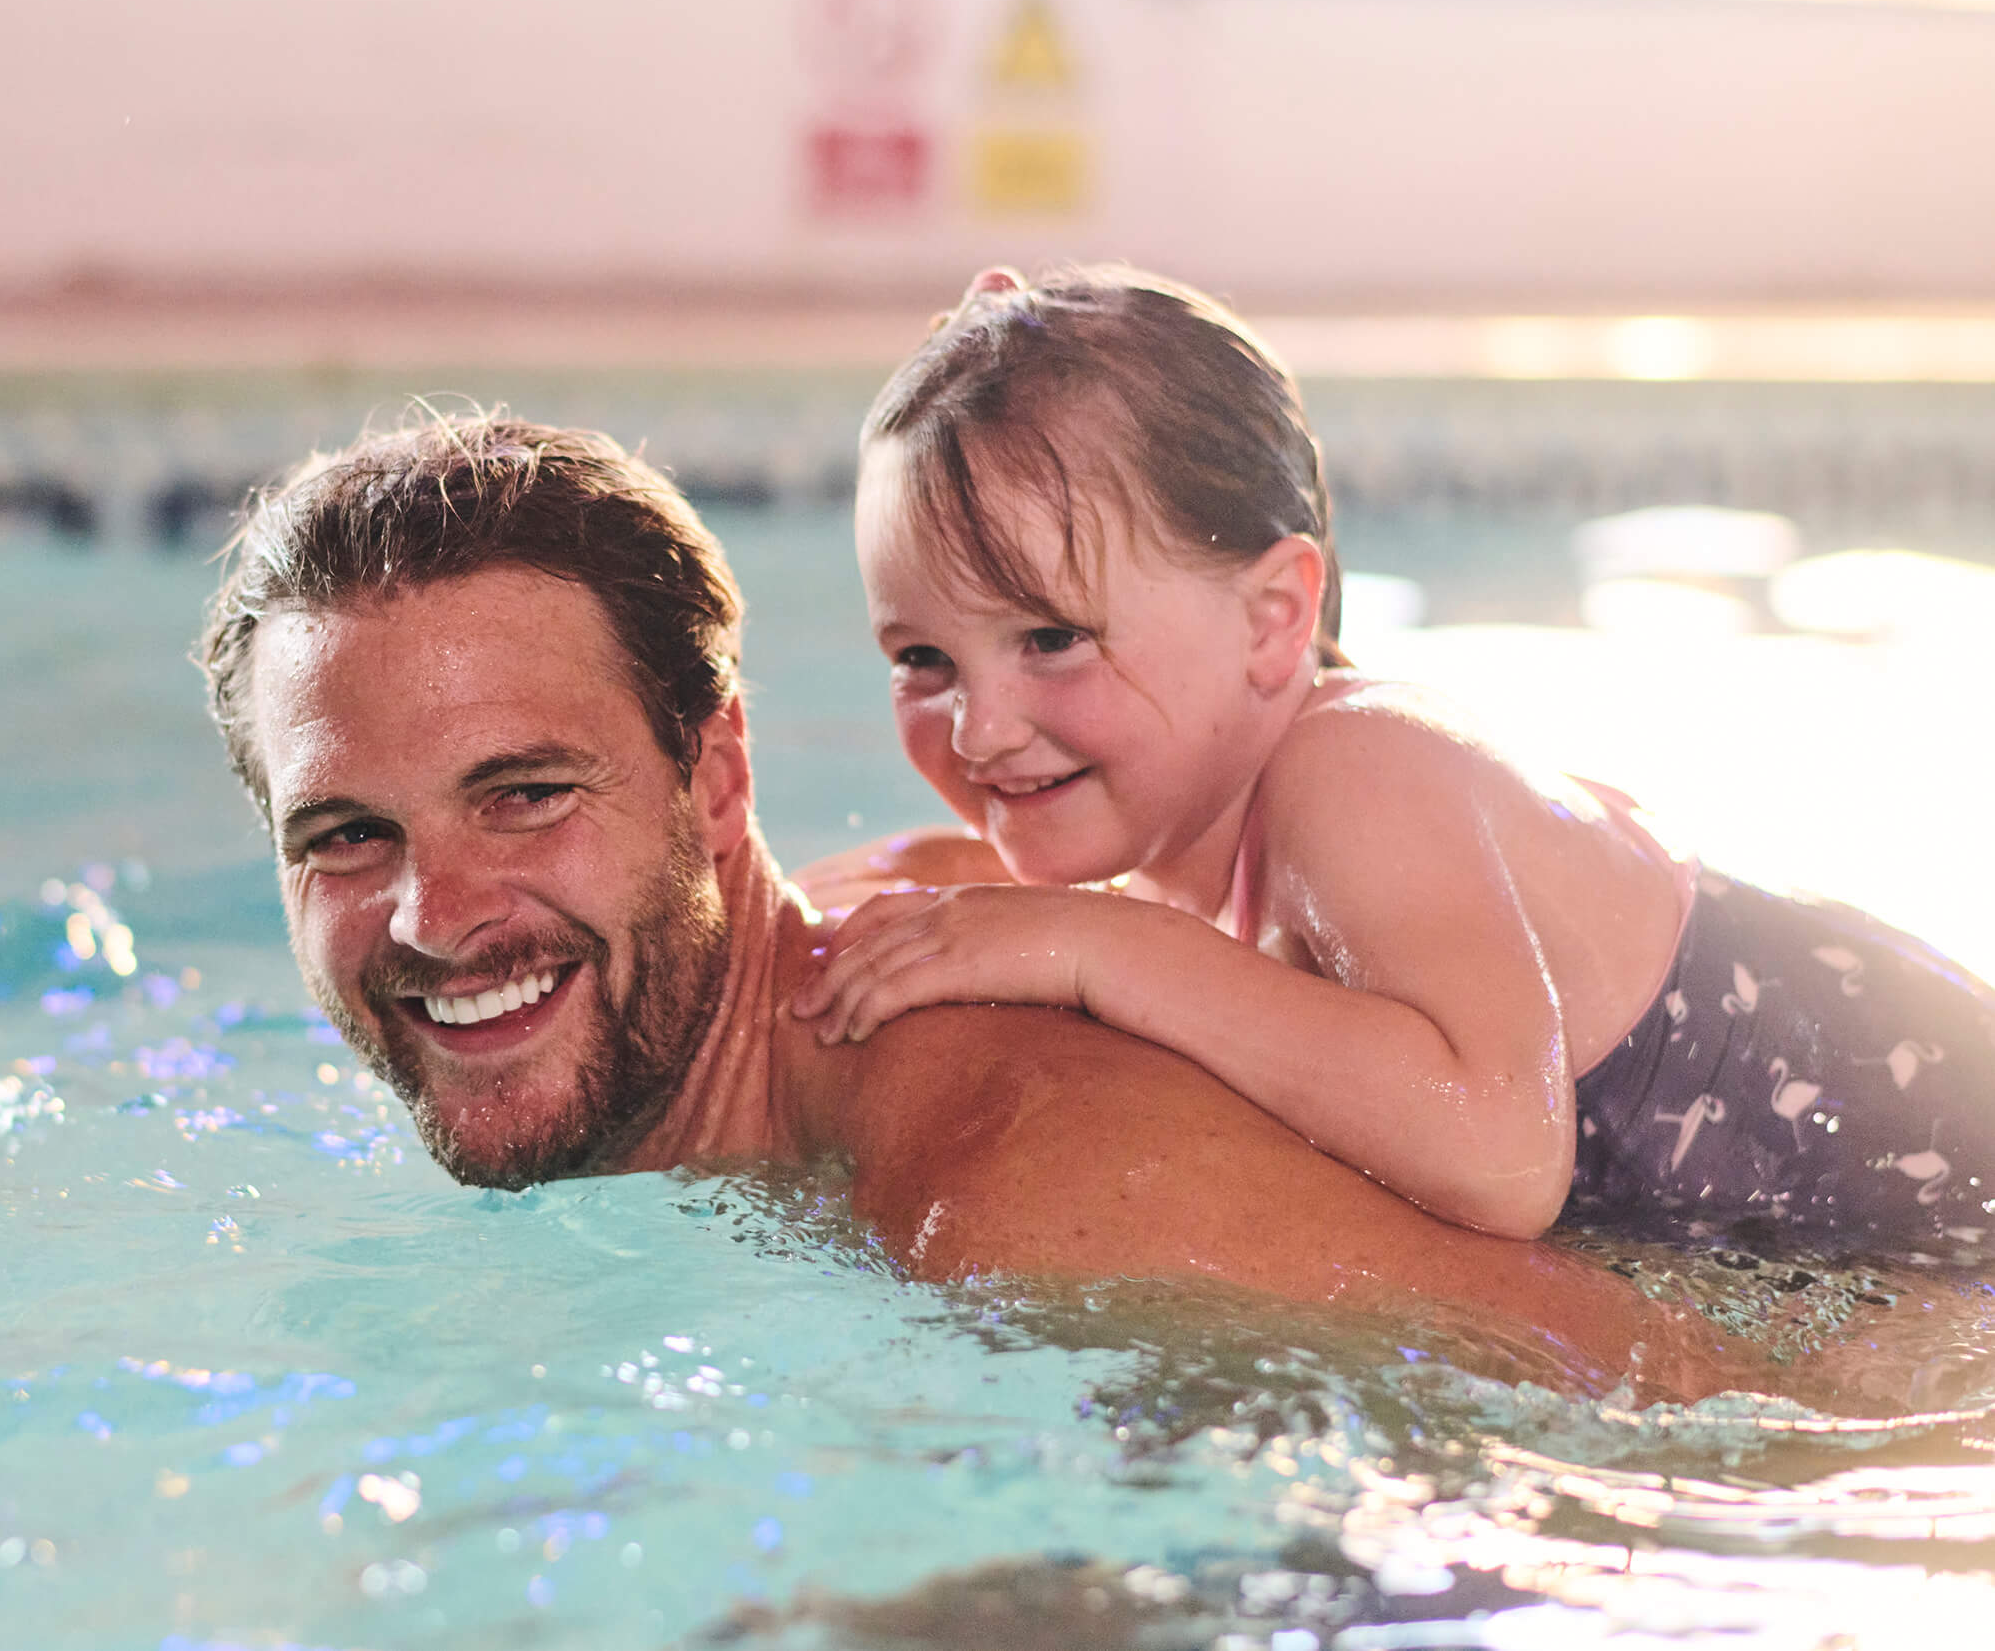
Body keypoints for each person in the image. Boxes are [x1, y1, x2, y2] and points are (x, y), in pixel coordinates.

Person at [195, 411, 1742, 1404]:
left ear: (716, 779)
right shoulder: (882, 937)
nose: (431, 917)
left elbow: (1685, 1403)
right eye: (344, 835)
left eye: (527, 793)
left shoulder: (1021, 1193)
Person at [789, 263, 1995, 1249]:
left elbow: (1501, 1150)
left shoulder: (1361, 767)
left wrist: (1100, 948)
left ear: (1271, 620)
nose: (979, 727)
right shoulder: (1186, 856)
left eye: (1051, 638)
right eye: (922, 659)